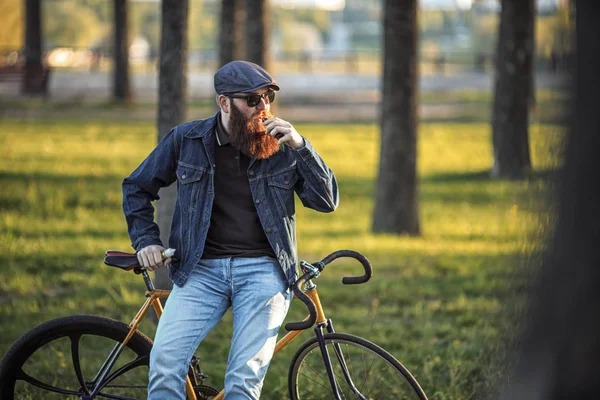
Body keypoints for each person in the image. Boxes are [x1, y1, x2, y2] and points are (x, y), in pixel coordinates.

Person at [121, 60, 339, 399]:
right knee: (164, 365)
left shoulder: (282, 146)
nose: (263, 107)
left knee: (243, 379)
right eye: (251, 100)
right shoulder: (187, 139)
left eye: (268, 97)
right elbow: (137, 187)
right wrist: (146, 240)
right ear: (224, 103)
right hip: (200, 269)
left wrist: (300, 146)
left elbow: (326, 201)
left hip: (264, 271)